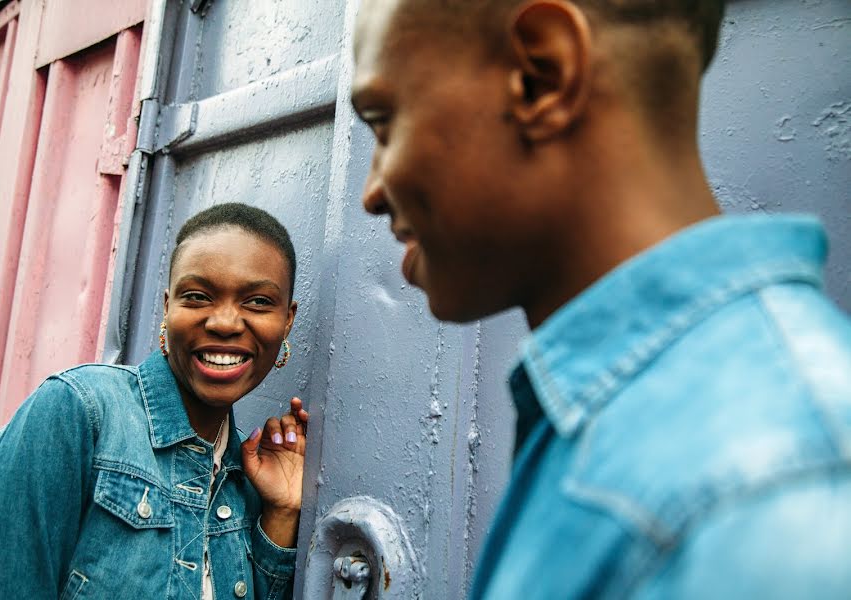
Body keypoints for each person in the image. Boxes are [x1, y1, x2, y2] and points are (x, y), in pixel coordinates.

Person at [352, 1, 851, 598]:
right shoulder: (684, 443)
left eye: (383, 123)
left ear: (543, 76)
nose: (372, 193)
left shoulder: (763, 498)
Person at [0, 203, 306, 599]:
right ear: (168, 307)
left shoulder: (245, 475)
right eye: (197, 296)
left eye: (257, 301)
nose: (223, 323)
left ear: (287, 319)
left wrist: (282, 513)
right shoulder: (79, 411)